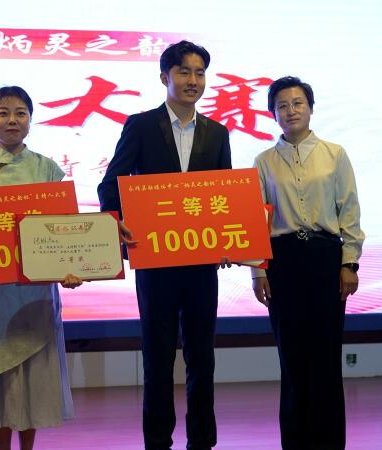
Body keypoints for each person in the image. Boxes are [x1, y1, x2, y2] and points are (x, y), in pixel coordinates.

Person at [97, 41, 232, 450]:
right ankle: (157, 442)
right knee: (157, 358)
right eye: (184, 72)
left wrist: (230, 239)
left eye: (199, 73)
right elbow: (111, 184)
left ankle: (202, 442)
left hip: (202, 263)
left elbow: (225, 194)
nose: (193, 80)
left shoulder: (217, 133)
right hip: (155, 261)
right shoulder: (141, 125)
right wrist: (114, 221)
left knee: (202, 357)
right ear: (164, 77)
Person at [0, 86, 81, 450]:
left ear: (31, 119)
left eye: (20, 113)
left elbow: (63, 230)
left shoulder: (48, 169)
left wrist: (69, 269)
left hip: (35, 292)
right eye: (3, 112)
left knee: (33, 376)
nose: (12, 120)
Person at [251, 76, 365, 450]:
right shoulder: (264, 162)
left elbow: (349, 211)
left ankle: (330, 443)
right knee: (292, 357)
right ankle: (296, 442)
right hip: (283, 263)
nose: (291, 111)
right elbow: (256, 221)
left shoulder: (335, 154)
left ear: (311, 108)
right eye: (282, 106)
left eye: (298, 103)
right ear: (273, 114)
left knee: (326, 357)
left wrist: (349, 263)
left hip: (324, 260)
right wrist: (258, 270)